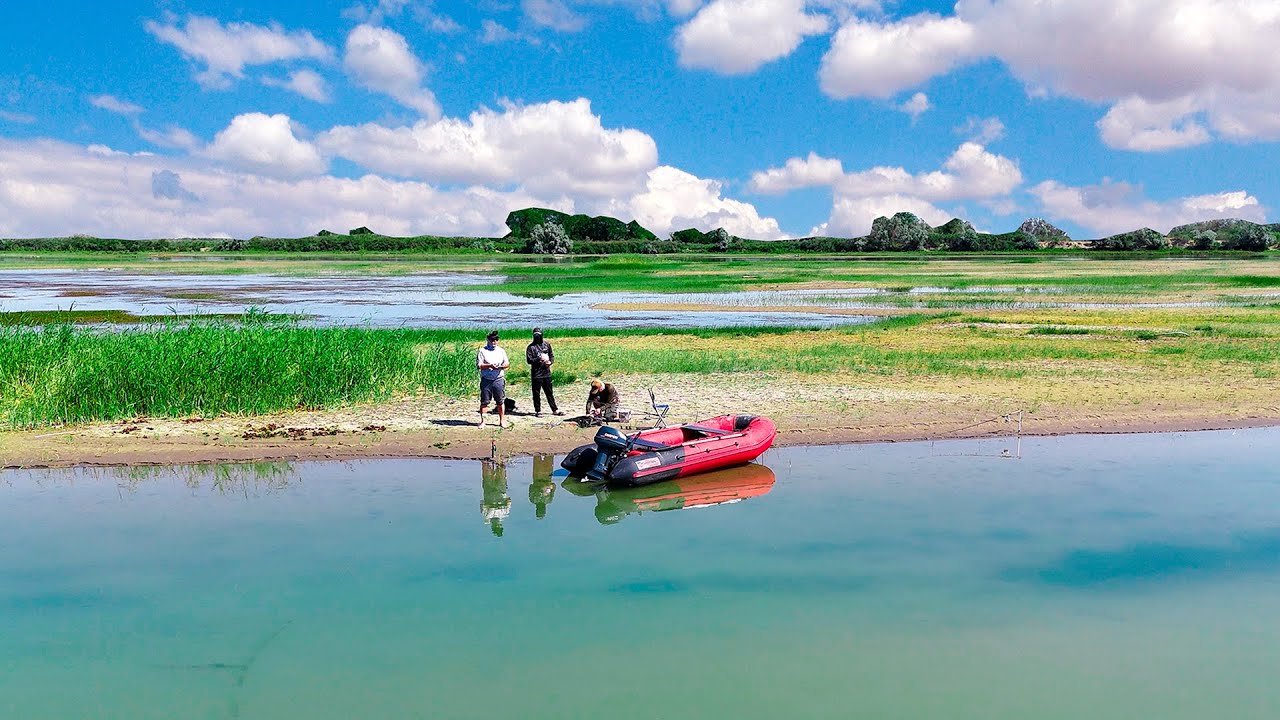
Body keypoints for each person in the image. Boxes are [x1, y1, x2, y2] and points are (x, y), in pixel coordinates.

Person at [525, 327, 563, 418]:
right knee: (536, 393)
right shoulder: (531, 347)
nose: (537, 337)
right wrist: (538, 359)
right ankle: (538, 410)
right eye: (535, 335)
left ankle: (554, 409)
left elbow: (551, 356)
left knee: (549, 392)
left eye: (539, 335)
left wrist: (550, 362)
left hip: (546, 373)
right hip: (536, 374)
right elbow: (529, 360)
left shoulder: (547, 345)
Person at [477, 331, 509, 428]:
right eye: (492, 340)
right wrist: (489, 366)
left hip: (498, 378)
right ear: (488, 340)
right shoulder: (482, 351)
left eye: (496, 340)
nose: (494, 342)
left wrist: (501, 366)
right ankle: (483, 421)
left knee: (500, 401)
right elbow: (480, 365)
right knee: (484, 401)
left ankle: (502, 420)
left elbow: (507, 363)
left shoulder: (501, 350)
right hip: (486, 379)